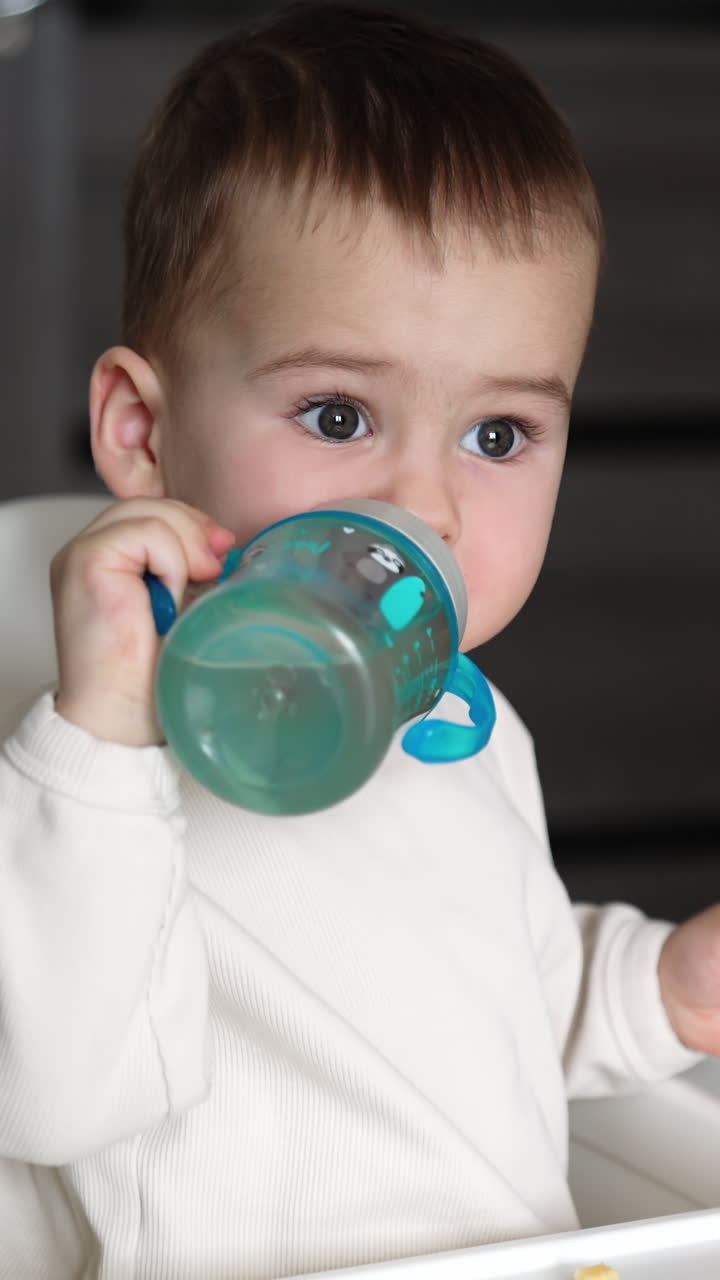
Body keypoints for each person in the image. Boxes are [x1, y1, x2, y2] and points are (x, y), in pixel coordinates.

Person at [0, 3, 718, 1276]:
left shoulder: (469, 732)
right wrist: (100, 735)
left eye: (498, 435)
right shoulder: (103, 780)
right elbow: (48, 1091)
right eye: (338, 414)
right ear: (143, 433)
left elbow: (494, 1013)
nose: (424, 503)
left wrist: (661, 988)